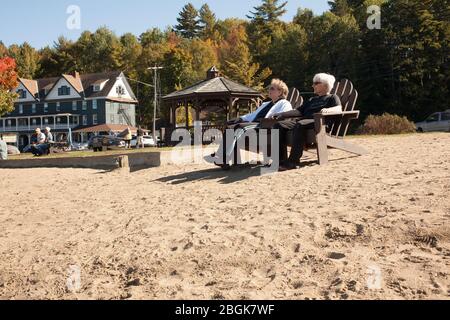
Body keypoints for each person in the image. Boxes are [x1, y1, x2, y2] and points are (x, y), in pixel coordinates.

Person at [206, 79, 293, 167]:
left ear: (280, 92)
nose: (269, 90)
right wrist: (240, 118)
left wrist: (274, 117)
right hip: (254, 125)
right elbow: (253, 115)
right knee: (230, 127)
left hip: (264, 126)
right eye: (269, 88)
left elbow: (284, 115)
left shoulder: (284, 103)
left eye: (272, 88)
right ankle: (222, 157)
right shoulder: (267, 104)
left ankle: (222, 156)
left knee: (239, 127)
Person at [272, 73, 342, 171]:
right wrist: (283, 114)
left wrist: (328, 110)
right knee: (278, 125)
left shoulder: (332, 97)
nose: (312, 85)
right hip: (303, 122)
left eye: (316, 83)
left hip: (319, 124)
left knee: (300, 124)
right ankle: (280, 160)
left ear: (325, 85)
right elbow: (298, 111)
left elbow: (339, 109)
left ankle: (293, 162)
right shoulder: (311, 100)